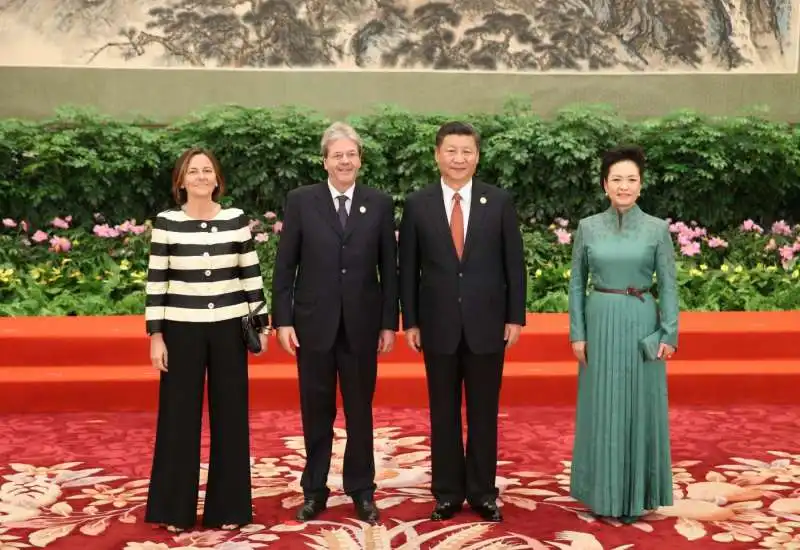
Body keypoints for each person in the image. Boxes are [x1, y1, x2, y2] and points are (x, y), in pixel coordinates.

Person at [398, 121, 527, 523]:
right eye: (451, 151)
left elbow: (514, 264)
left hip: (488, 324)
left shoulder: (498, 201)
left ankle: (484, 492)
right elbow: (408, 270)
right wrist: (411, 321)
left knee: (485, 412)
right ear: (437, 154)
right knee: (444, 413)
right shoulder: (418, 204)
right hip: (437, 326)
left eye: (466, 151)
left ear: (477, 156)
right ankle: (448, 493)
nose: (459, 159)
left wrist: (515, 316)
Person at [271, 122, 398, 524]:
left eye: (351, 154)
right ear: (324, 161)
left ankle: (362, 490)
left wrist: (387, 322)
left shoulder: (378, 203)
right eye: (337, 155)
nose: (345, 161)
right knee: (317, 411)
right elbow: (285, 264)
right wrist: (283, 320)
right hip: (313, 324)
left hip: (361, 326)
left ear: (360, 160)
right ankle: (314, 490)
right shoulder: (301, 201)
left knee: (360, 412)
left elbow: (388, 269)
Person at [144, 147, 269, 533]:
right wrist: (156, 337)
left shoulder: (236, 220)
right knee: (178, 418)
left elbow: (250, 273)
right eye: (193, 171)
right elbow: (157, 282)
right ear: (181, 181)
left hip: (230, 329)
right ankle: (172, 509)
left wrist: (260, 322)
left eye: (207, 171)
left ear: (217, 179)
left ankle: (229, 508)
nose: (200, 177)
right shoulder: (166, 223)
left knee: (231, 417)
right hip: (182, 330)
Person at [567, 145, 678, 524]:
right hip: (599, 321)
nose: (624, 186)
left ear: (641, 185)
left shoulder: (657, 229)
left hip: (641, 323)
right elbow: (577, 282)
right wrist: (577, 333)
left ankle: (639, 494)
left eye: (632, 179)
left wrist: (669, 332)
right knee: (601, 407)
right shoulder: (588, 227)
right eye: (617, 179)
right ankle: (600, 492)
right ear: (605, 184)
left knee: (639, 406)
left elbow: (668, 284)